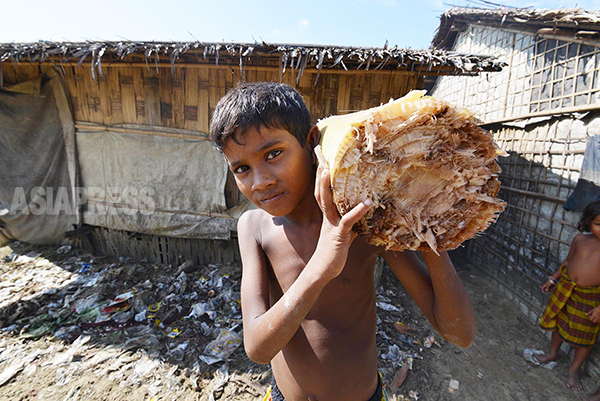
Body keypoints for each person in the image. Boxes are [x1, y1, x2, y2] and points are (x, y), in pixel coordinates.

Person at [209, 82, 476, 401]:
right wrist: (320, 268)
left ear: (310, 144)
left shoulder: (364, 223)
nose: (261, 181)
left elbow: (458, 333)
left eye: (273, 154)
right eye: (241, 168)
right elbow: (257, 348)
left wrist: (429, 222)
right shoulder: (254, 227)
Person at [535, 200, 600, 393]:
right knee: (559, 323)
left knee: (585, 336)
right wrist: (553, 279)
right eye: (599, 224)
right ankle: (553, 353)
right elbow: (567, 262)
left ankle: (574, 369)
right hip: (565, 289)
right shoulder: (580, 240)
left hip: (590, 299)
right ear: (588, 222)